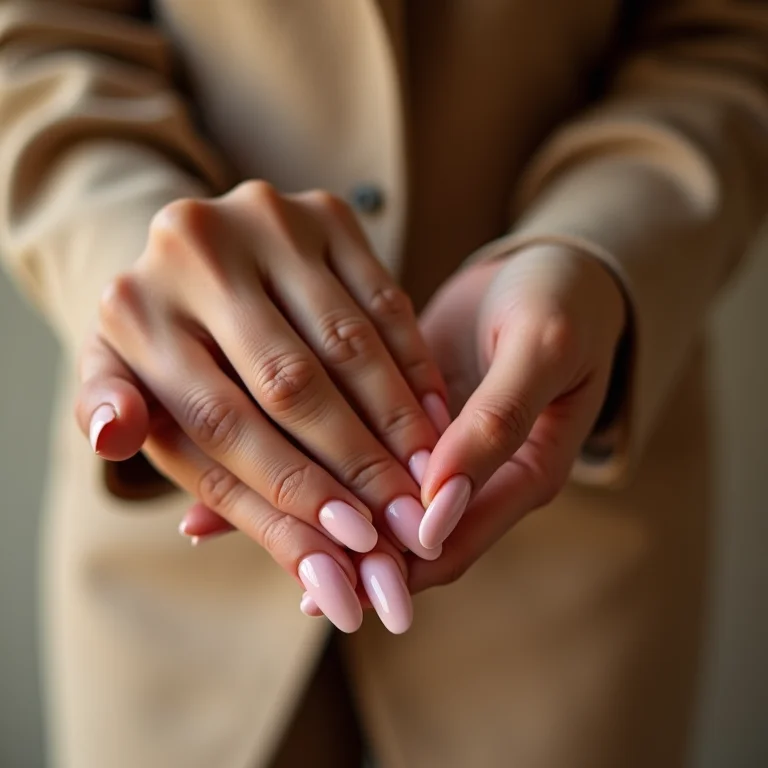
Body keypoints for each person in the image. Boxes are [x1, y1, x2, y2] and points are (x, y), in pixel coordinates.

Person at [1, 0, 766, 766]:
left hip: (561, 513)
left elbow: (728, 38)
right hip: (181, 507)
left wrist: (598, 247)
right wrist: (140, 267)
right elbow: (39, 37)